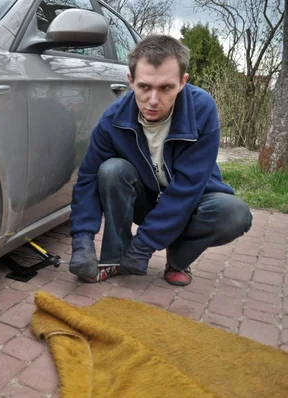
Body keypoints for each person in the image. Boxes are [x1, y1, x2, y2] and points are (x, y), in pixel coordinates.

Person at [68, 35, 252, 286]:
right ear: (131, 81)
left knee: (235, 214)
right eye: (144, 87)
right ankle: (117, 257)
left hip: (190, 201)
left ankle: (177, 260)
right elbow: (88, 179)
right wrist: (82, 240)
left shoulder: (202, 110)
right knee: (111, 170)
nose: (153, 100)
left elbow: (188, 187)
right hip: (145, 199)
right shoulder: (112, 120)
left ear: (182, 82)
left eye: (165, 87)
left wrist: (143, 246)